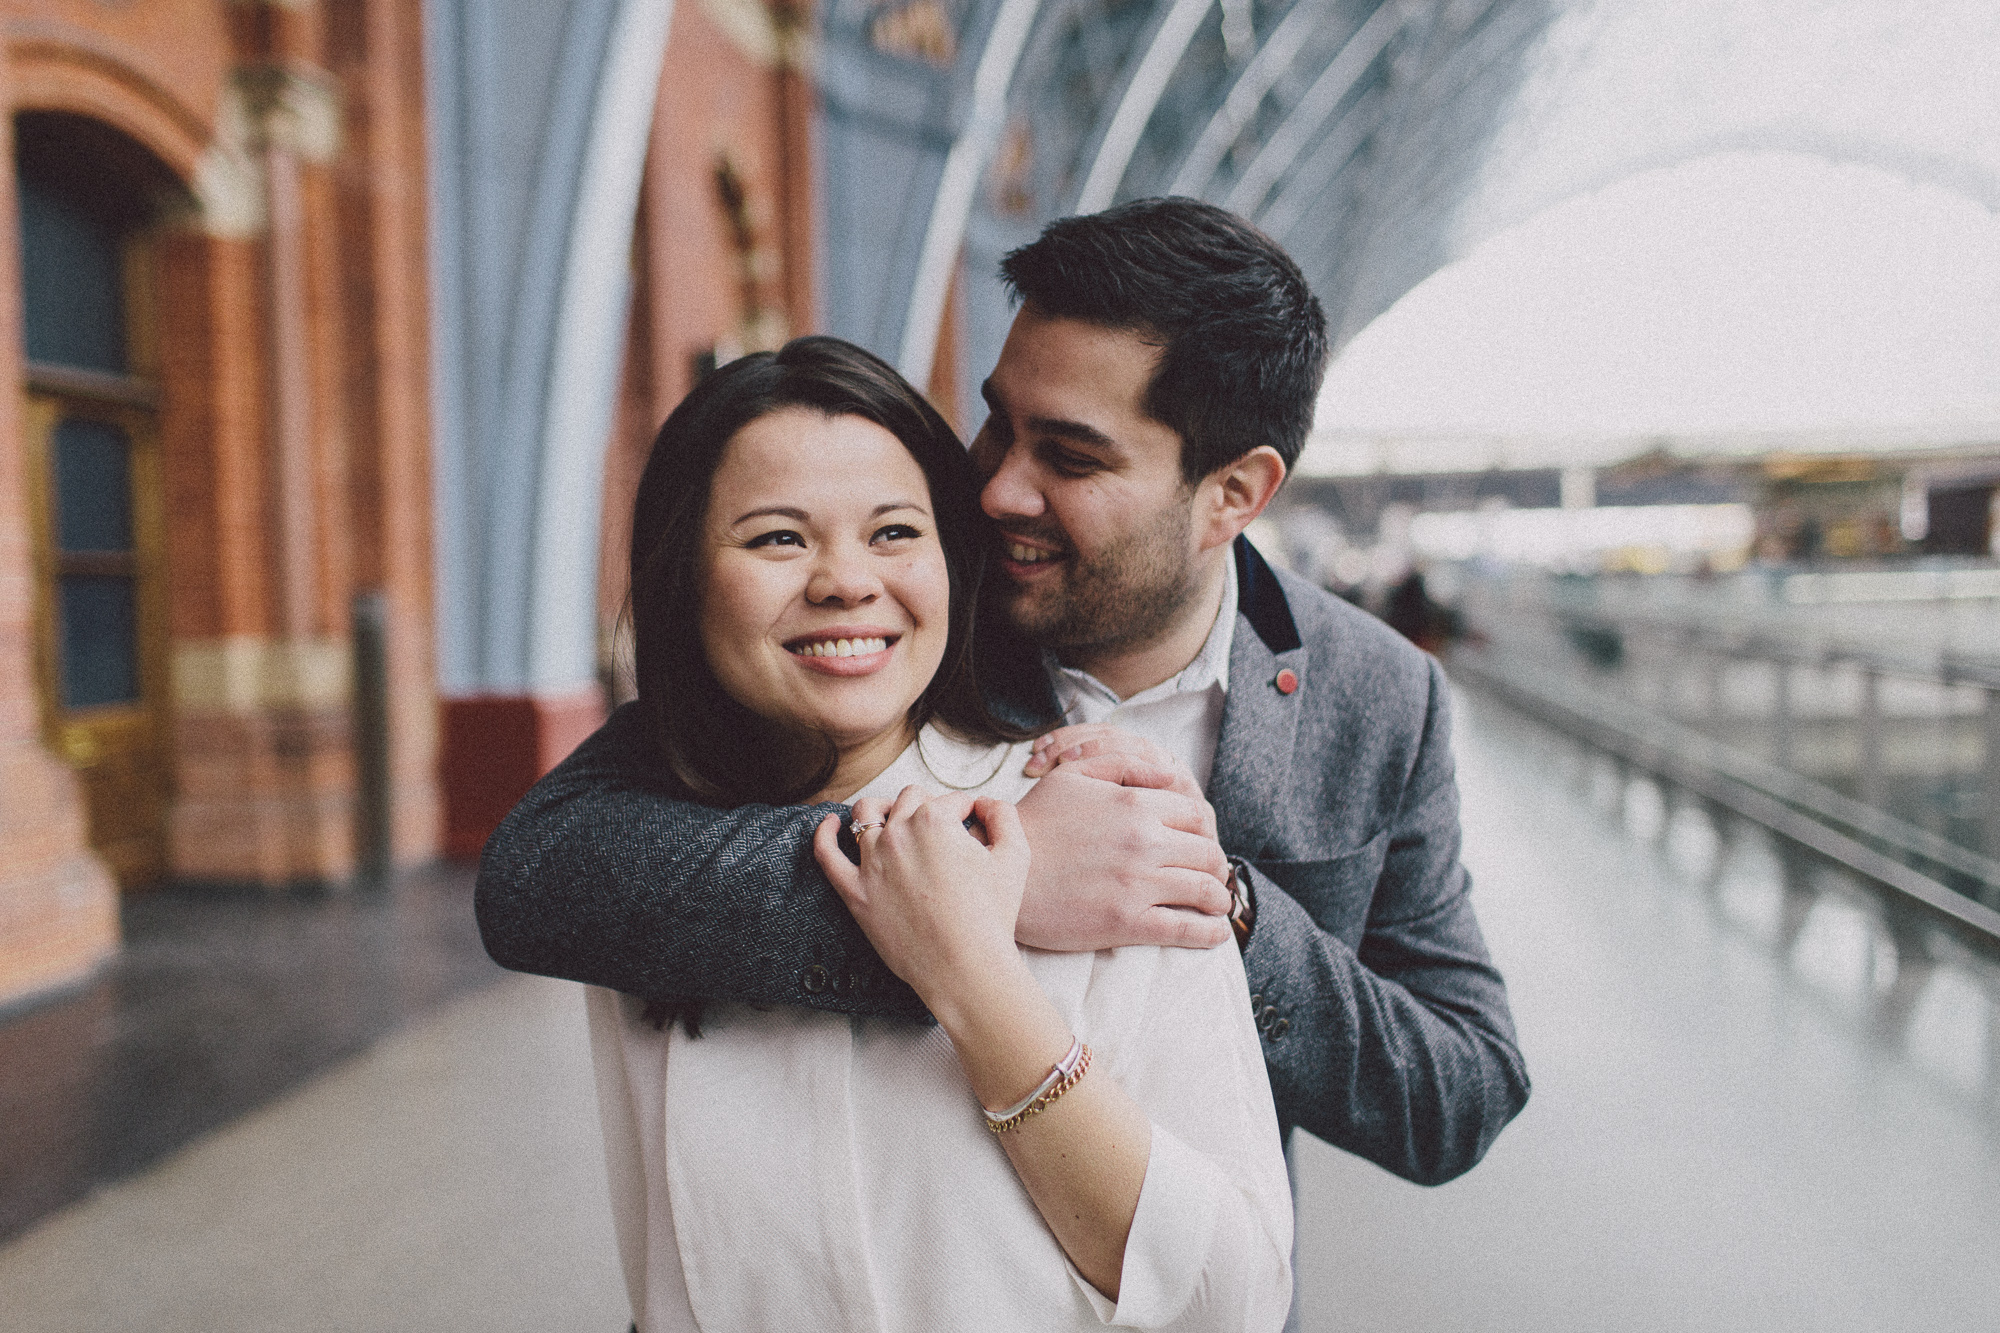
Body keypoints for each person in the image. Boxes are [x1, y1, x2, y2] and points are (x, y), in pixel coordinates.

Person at [479, 198, 1529, 1318]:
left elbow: (1455, 1089)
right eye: (997, 424)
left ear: (1233, 493)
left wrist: (1210, 904)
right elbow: (548, 869)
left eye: (1068, 456)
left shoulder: (1373, 696)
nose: (991, 491)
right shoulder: (895, 618)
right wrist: (987, 873)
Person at [591, 334, 1291, 1331]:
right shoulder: (640, 861)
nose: (843, 580)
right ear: (683, 581)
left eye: (891, 533)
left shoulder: (1102, 816)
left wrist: (973, 977)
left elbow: (1234, 1296)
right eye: (776, 538)